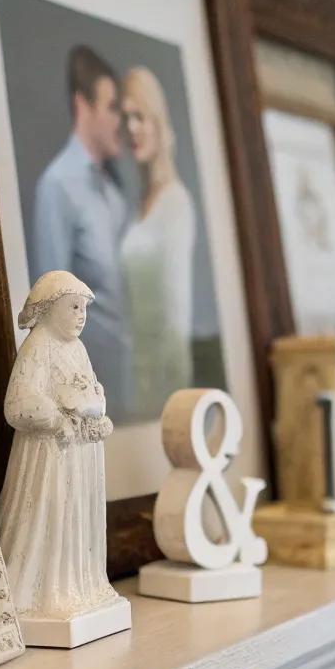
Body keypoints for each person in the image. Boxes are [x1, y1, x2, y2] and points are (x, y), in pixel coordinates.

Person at [0, 270, 119, 624]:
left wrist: (92, 404)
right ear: (49, 309)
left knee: (75, 517)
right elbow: (17, 404)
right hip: (50, 456)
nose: (81, 315)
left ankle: (81, 584)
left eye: (84, 308)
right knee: (53, 515)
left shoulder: (77, 348)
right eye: (73, 306)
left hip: (79, 454)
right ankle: (49, 591)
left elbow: (92, 390)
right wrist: (57, 413)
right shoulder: (38, 347)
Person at [25, 46, 131, 421]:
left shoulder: (114, 194)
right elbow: (51, 297)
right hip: (90, 391)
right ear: (82, 106)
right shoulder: (58, 186)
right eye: (113, 107)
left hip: (129, 383)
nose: (123, 121)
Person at [119, 67, 196, 422]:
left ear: (157, 120)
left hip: (163, 379)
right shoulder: (139, 204)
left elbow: (176, 315)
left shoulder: (175, 203)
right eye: (125, 117)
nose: (131, 127)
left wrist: (172, 396)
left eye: (139, 116)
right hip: (134, 370)